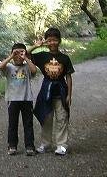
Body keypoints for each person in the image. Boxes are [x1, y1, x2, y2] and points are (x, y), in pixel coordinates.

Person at [28, 27, 75, 156]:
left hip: (61, 91)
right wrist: (37, 46)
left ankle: (61, 145)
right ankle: (45, 143)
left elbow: (68, 77)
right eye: (49, 40)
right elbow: (24, 55)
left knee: (62, 117)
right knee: (46, 117)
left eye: (54, 40)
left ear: (59, 41)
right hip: (46, 90)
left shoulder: (65, 58)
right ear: (46, 42)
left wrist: (69, 95)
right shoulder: (42, 56)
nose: (52, 43)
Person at [0, 42, 38, 155]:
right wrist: (11, 56)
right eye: (16, 53)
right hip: (13, 99)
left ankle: (30, 146)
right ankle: (12, 145)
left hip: (26, 99)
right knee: (12, 123)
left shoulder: (27, 67)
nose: (18, 56)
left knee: (28, 124)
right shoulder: (9, 68)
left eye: (21, 53)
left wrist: (25, 57)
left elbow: (34, 71)